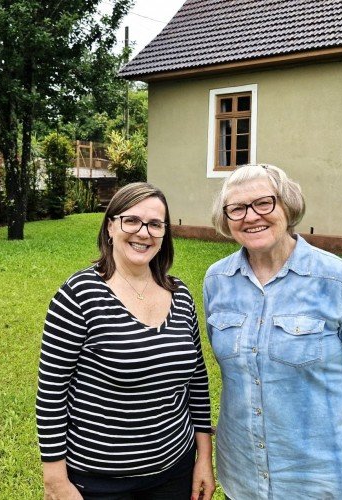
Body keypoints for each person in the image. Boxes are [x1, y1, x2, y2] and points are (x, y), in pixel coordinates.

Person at [202, 164, 342, 499]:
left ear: (287, 207)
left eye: (264, 203)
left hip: (324, 475)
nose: (251, 216)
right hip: (244, 473)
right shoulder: (217, 281)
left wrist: (329, 416)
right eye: (237, 209)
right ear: (226, 219)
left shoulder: (337, 279)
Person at [36, 182, 215, 500]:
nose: (143, 233)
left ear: (164, 233)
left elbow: (197, 383)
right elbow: (51, 392)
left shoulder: (181, 295)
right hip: (100, 480)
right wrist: (55, 479)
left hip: (175, 470)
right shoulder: (78, 295)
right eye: (131, 220)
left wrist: (204, 459)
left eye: (155, 224)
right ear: (110, 226)